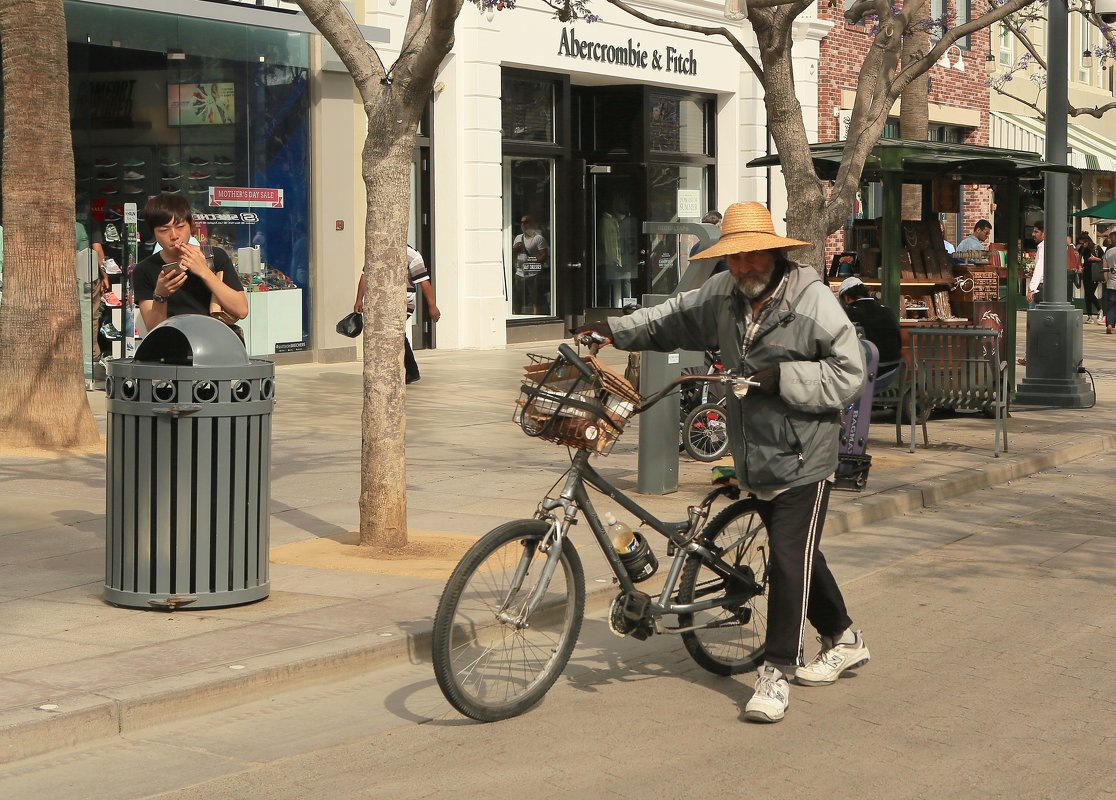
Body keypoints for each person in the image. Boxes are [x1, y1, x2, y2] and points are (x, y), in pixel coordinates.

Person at [576, 201, 868, 724]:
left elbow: (850, 376)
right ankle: (844, 636)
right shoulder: (724, 293)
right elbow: (670, 316)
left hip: (806, 452)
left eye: (751, 258)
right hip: (755, 448)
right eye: (733, 260)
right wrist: (611, 330)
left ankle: (776, 672)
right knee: (797, 553)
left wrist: (789, 378)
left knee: (785, 558)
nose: (742, 269)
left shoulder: (812, 302)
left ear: (772, 254)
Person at [132, 193, 247, 334]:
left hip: (216, 343)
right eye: (163, 230)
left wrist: (204, 272)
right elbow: (154, 329)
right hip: (175, 348)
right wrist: (160, 295)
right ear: (154, 233)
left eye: (180, 226)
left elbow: (241, 310)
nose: (174, 235)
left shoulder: (215, 256)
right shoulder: (144, 270)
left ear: (191, 226)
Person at [354, 244, 440, 384]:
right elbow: (365, 276)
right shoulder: (378, 248)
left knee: (394, 331)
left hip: (404, 300)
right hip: (381, 299)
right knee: (393, 333)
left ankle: (411, 370)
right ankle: (408, 370)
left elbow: (424, 282)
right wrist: (359, 300)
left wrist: (432, 307)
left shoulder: (412, 255)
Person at [837, 276, 902, 369]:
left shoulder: (848, 313)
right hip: (893, 368)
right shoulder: (888, 311)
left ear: (846, 298)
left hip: (871, 372)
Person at [512, 215, 549, 315]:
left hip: (533, 273)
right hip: (519, 273)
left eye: (526, 222)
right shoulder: (518, 238)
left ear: (531, 224)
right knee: (517, 299)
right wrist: (515, 250)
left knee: (534, 299)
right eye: (522, 222)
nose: (523, 225)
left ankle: (535, 317)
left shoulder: (538, 239)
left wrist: (530, 260)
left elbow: (544, 256)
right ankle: (516, 317)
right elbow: (512, 256)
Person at [1077, 233, 1103, 324]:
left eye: (1083, 243)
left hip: (1095, 273)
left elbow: (1103, 259)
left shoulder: (1097, 248)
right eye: (1080, 243)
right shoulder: (1082, 249)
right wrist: (1080, 267)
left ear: (1087, 241)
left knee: (1090, 293)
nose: (1082, 245)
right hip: (1086, 272)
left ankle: (1100, 310)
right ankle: (1089, 316)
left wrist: (1096, 258)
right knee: (1087, 294)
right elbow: (1079, 259)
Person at [1026, 221, 1046, 309]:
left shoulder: (1043, 247)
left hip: (1040, 288)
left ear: (1044, 234)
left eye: (1036, 232)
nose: (1033, 234)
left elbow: (1039, 268)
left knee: (1034, 318)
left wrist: (1032, 289)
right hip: (1045, 287)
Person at [1103, 233, 1116, 335]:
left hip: (1111, 282)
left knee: (1111, 305)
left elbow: (1105, 269)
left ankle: (1110, 325)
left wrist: (1107, 280)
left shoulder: (1108, 252)